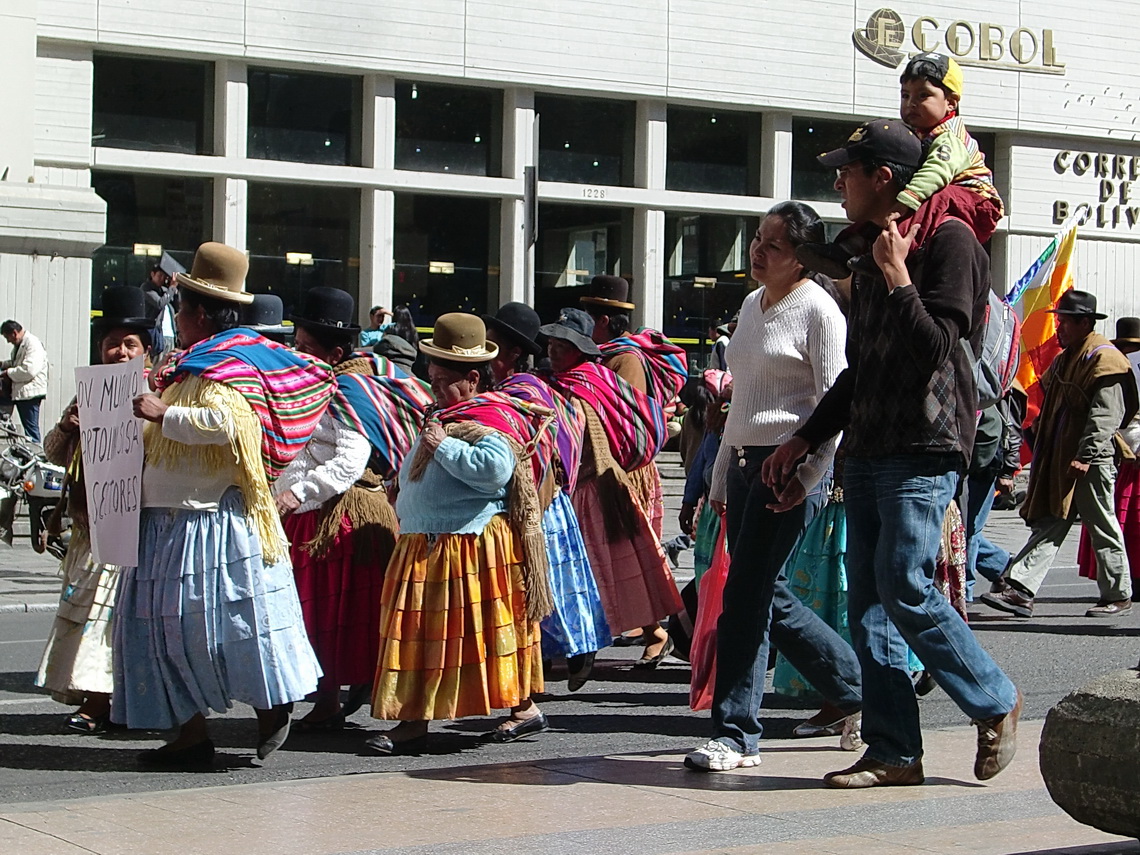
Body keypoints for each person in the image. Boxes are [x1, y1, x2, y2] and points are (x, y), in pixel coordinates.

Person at [767, 119, 1021, 789]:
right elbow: (860, 369)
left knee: (906, 581)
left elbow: (939, 348)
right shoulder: (873, 249)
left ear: (884, 177)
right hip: (874, 442)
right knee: (870, 604)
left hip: (927, 441)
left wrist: (898, 276)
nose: (837, 183)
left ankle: (995, 698)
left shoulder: (949, 242)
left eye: (847, 171)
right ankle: (894, 750)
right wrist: (805, 438)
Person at [113, 242, 333, 769]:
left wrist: (162, 414)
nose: (178, 318)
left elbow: (234, 427)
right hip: (160, 521)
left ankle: (270, 704)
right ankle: (189, 734)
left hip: (210, 522)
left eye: (183, 309)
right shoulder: (188, 364)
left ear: (203, 313)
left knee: (224, 628)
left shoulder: (233, 364)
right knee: (159, 629)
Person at [684, 201, 858, 773]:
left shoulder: (819, 312)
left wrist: (808, 476)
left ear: (803, 259)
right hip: (740, 464)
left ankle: (736, 734)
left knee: (746, 597)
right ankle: (858, 686)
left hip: (787, 466)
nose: (758, 252)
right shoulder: (751, 305)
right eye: (757, 239)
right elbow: (743, 399)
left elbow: (837, 402)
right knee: (766, 593)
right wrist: (716, 476)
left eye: (774, 246)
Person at [368, 314, 553, 754]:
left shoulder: (491, 417)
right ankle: (414, 719)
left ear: (472, 378)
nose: (433, 386)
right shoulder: (448, 413)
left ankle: (521, 708)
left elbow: (493, 471)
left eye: (441, 379)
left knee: (485, 632)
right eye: (431, 377)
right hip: (431, 542)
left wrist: (440, 445)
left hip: (467, 544)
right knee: (423, 635)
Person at [276, 287, 431, 731]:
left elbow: (348, 459)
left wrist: (297, 493)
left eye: (306, 347)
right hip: (316, 515)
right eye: (296, 344)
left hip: (346, 519)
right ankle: (328, 700)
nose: (297, 353)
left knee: (342, 617)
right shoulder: (319, 383)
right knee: (321, 616)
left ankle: (373, 700)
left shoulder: (349, 390)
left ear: (336, 351)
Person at [34, 287, 151, 734]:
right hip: (89, 529)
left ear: (145, 351)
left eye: (130, 344)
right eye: (112, 343)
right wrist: (68, 427)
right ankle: (97, 697)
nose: (120, 351)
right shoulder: (88, 393)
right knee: (86, 615)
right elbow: (54, 453)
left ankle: (104, 704)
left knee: (112, 618)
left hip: (132, 526)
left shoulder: (157, 394)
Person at [982, 291, 1139, 619]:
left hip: (1089, 461)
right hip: (1063, 457)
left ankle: (1119, 593)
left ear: (1085, 322)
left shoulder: (1105, 359)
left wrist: (1087, 455)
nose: (1058, 328)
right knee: (1054, 520)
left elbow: (1106, 415)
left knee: (1101, 523)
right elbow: (1050, 402)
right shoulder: (1068, 357)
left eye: (1064, 321)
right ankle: (1020, 589)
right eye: (1058, 320)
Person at [541, 309, 683, 664]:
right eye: (552, 343)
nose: (553, 351)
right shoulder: (578, 380)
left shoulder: (584, 386)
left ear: (581, 349)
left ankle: (605, 641)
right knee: (617, 567)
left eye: (563, 344)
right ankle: (640, 634)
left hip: (595, 486)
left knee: (602, 568)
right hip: (597, 485)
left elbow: (582, 438)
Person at [484, 302, 610, 691]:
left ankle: (574, 651)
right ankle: (552, 654)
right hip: (541, 499)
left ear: (513, 354)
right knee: (548, 582)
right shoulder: (523, 387)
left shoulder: (526, 390)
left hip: (542, 500)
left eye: (493, 348)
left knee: (550, 580)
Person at [799, 53, 1003, 280]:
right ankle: (845, 248)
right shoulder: (920, 135)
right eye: (905, 95)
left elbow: (936, 172)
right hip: (946, 192)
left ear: (951, 102)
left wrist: (903, 203)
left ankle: (895, 252)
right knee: (882, 209)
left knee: (934, 200)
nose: (911, 103)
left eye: (923, 95)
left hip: (977, 200)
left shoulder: (949, 137)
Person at [580, 276, 688, 663]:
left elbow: (624, 420)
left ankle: (656, 631)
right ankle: (644, 629)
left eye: (590, 316)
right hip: (611, 468)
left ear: (605, 321)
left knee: (630, 552)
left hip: (626, 470)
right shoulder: (604, 355)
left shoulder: (624, 360)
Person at [1077, 317, 1140, 600]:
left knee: (1123, 522)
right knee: (1118, 522)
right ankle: (1127, 580)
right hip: (1123, 453)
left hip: (1128, 451)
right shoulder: (1113, 369)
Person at [0, 320, 48, 443]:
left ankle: (37, 456)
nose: (8, 341)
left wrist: (7, 373)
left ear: (14, 333)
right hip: (22, 392)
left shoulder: (33, 344)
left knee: (31, 429)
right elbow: (18, 363)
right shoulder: (21, 345)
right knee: (28, 427)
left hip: (30, 394)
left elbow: (29, 370)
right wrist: (4, 364)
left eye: (7, 337)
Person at [140, 252, 185, 354]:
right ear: (152, 274)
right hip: (157, 334)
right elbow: (160, 303)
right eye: (160, 275)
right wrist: (172, 287)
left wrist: (175, 289)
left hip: (170, 334)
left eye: (165, 277)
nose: (162, 279)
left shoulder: (165, 290)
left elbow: (178, 306)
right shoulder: (147, 288)